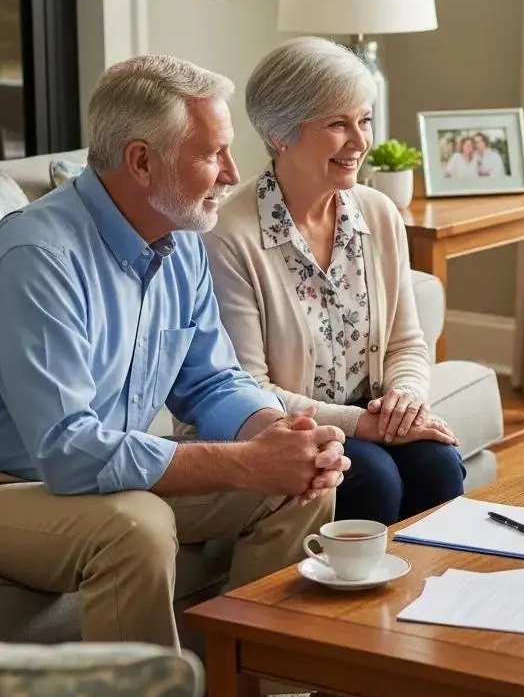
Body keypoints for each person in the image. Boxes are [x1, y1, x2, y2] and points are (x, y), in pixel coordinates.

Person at [0, 54, 348, 655]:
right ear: (141, 161)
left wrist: (282, 435)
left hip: (106, 474)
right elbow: (69, 451)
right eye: (212, 155)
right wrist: (246, 463)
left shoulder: (182, 239)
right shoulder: (40, 257)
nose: (232, 174)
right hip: (20, 485)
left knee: (301, 485)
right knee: (137, 529)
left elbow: (211, 380)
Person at [203, 36, 466, 533]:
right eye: (337, 124)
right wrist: (363, 426)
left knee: (437, 462)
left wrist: (404, 402)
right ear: (281, 134)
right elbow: (248, 389)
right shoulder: (229, 237)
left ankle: (432, 600)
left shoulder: (379, 214)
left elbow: (407, 341)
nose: (360, 141)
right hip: (286, 433)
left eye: (363, 120)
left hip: (372, 420)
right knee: (371, 478)